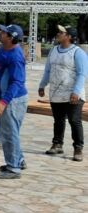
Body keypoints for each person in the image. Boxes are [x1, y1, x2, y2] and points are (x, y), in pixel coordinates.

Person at [39, 25, 85, 162]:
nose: (58, 34)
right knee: (58, 120)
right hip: (56, 93)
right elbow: (48, 70)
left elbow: (82, 74)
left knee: (74, 120)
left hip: (73, 93)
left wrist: (76, 91)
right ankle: (57, 143)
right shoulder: (54, 50)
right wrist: (42, 85)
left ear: (69, 36)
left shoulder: (78, 52)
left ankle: (78, 148)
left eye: (61, 32)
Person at [0, 24, 29, 179]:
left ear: (11, 37)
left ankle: (13, 168)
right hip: (5, 97)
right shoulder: (3, 49)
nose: (0, 33)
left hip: (13, 100)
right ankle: (18, 160)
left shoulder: (15, 56)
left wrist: (3, 102)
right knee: (8, 131)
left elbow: (16, 82)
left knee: (9, 133)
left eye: (4, 32)